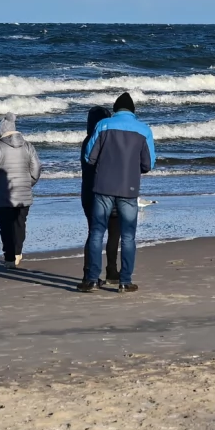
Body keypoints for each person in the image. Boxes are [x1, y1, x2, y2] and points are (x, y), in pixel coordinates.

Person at [80, 92, 155, 293]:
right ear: (132, 111)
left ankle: (92, 279)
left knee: (97, 232)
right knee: (128, 236)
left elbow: (90, 157)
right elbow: (148, 164)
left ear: (115, 110)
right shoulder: (144, 130)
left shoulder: (103, 126)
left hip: (103, 187)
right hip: (128, 189)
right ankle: (125, 281)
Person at [0, 113, 42, 268]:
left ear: (2, 131)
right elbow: (36, 168)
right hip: (23, 193)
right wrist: (28, 183)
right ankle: (17, 253)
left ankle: (9, 258)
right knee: (20, 223)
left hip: (3, 194)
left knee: (5, 226)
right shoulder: (28, 145)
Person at [81, 106, 122, 285]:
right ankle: (111, 270)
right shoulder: (109, 140)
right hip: (109, 190)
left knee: (94, 233)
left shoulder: (87, 141)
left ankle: (89, 273)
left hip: (88, 192)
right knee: (114, 233)